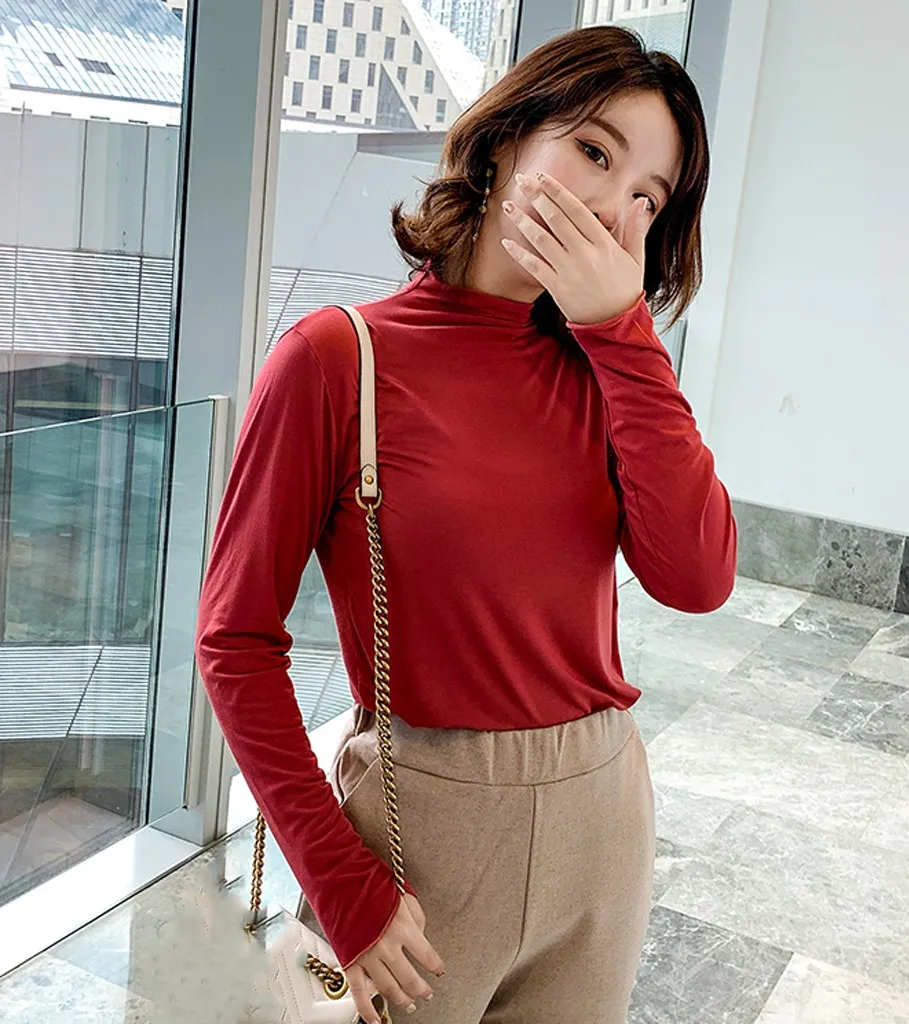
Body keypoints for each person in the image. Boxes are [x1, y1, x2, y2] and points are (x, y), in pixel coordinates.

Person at [195, 24, 736, 1024]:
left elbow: (698, 579)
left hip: (603, 821)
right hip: (425, 834)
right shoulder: (335, 359)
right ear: (504, 141)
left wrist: (622, 334)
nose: (612, 208)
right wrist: (340, 882)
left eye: (647, 199)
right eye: (594, 151)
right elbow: (234, 641)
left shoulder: (609, 372)